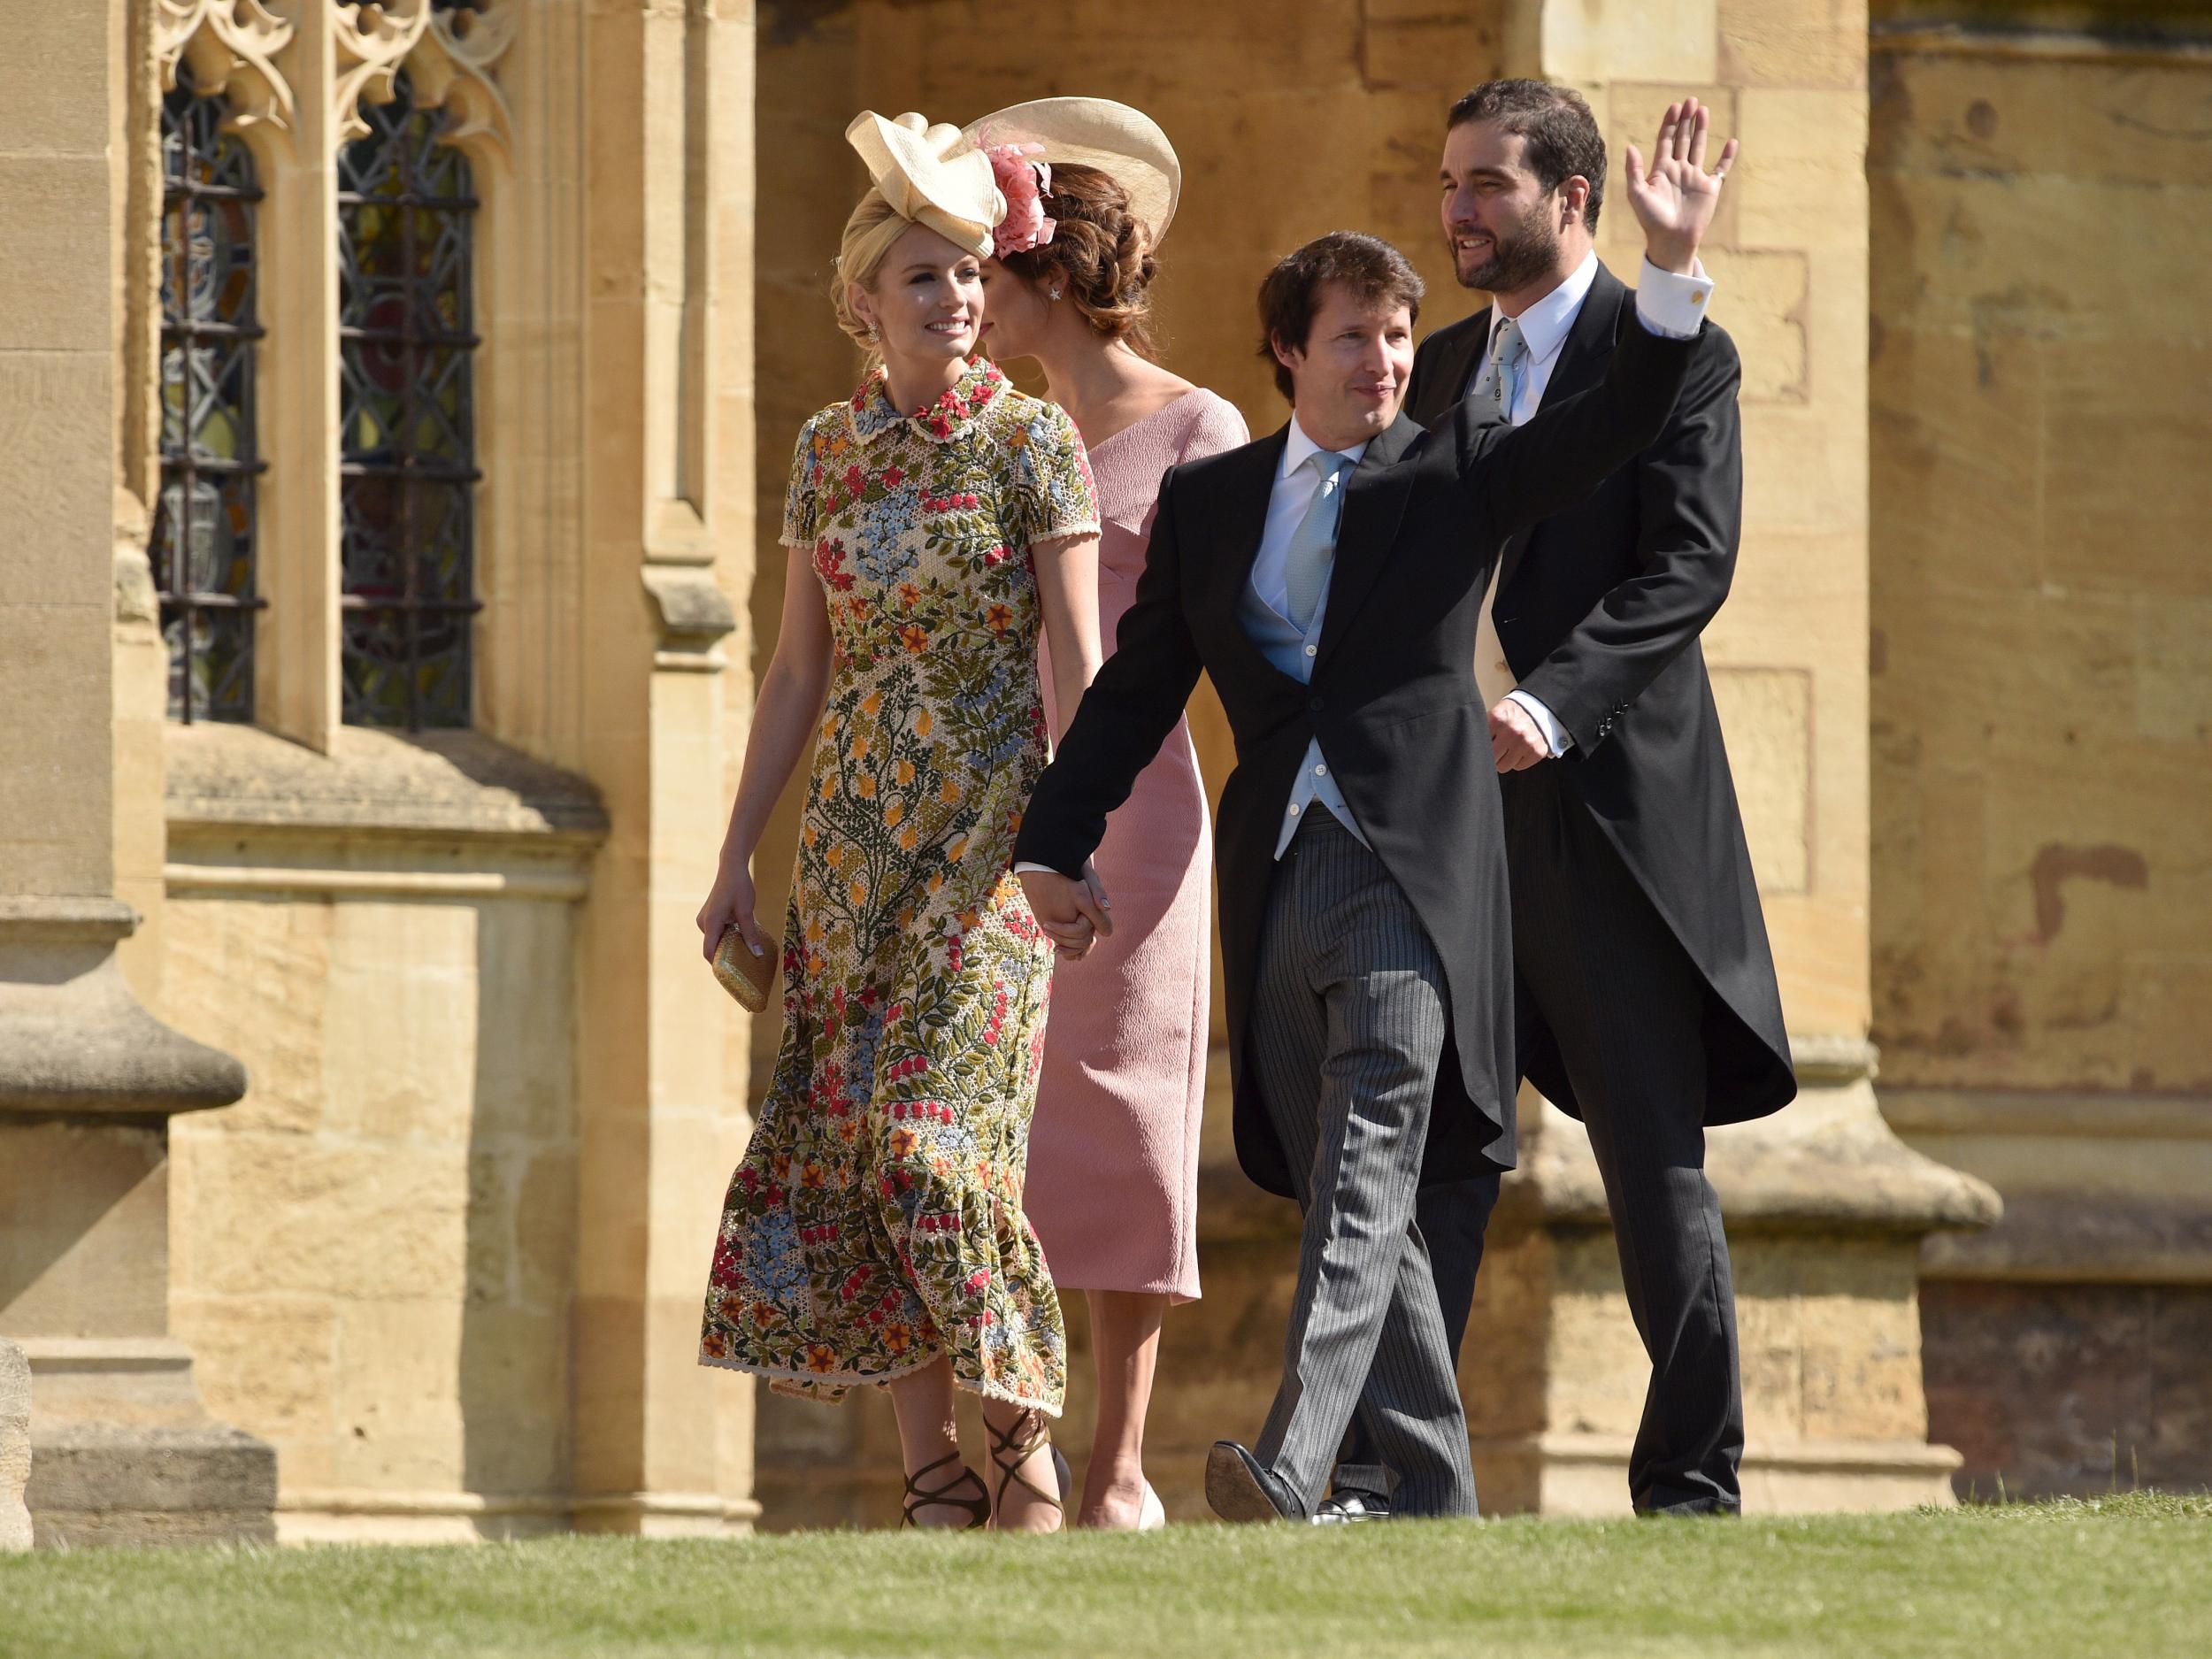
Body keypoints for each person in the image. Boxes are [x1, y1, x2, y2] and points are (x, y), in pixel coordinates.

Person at [1016, 104, 1740, 1524]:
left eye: (1402, 340)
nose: (1390, 363)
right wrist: (1051, 838)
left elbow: (1613, 430)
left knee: (1369, 1167)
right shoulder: (1218, 502)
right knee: (1382, 1197)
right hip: (1277, 877)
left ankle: (1298, 1460)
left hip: (1419, 867)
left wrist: (1670, 273)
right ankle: (1430, 1499)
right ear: (1288, 353)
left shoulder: (1454, 469)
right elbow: (1139, 685)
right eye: (1355, 338)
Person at [1326, 81, 1795, 1523]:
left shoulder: (1678, 357)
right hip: (1448, 824)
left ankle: (1692, 1486)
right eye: (1449, 181)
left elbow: (1687, 571)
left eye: (1488, 185)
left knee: (1648, 1155)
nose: (1456, 211)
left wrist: (1546, 705)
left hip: (1604, 814)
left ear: (1573, 198)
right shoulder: (1440, 364)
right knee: (1427, 1147)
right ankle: (1394, 1476)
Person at [695, 111, 1106, 1534]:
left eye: (972, 276)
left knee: (941, 1145)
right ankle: (931, 1482)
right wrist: (739, 854)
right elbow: (798, 666)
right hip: (852, 854)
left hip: (992, 851)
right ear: (865, 301)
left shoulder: (1034, 442)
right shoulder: (827, 451)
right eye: (925, 279)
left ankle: (1024, 1459)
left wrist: (1071, 835)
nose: (958, 301)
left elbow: (1078, 660)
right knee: (864, 1143)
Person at [967, 97, 1249, 1532]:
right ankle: (1020, 1463)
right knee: (988, 1121)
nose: (971, 297)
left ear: (1047, 273)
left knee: (1128, 1114)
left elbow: (1242, 631)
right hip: (988, 808)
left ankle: (1119, 1468)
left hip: (1136, 812)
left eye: (987, 270)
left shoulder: (1200, 426)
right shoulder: (991, 430)